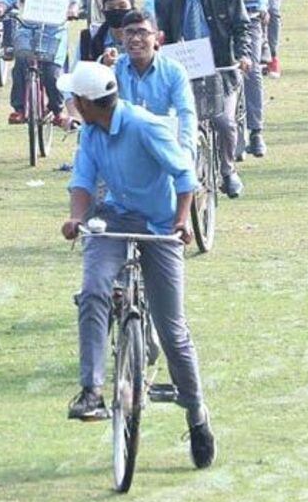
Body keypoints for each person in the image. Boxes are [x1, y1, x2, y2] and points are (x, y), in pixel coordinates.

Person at [57, 62, 215, 471]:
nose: (70, 104)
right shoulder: (90, 133)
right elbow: (82, 182)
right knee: (93, 290)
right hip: (112, 217)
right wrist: (76, 219)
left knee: (171, 327)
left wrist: (181, 224)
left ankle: (196, 412)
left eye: (73, 98)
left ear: (87, 103)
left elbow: (184, 175)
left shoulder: (145, 126)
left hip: (160, 224)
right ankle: (92, 390)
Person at [153, 0, 253, 197]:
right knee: (181, 123)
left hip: (221, 70)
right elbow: (163, 34)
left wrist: (242, 56)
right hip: (183, 71)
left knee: (223, 121)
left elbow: (243, 27)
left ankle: (228, 170)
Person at [204, 0, 272, 157]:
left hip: (250, 15)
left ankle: (256, 130)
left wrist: (263, 5)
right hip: (219, 19)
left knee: (252, 70)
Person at [0, 0, 79, 127]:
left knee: (52, 72)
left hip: (55, 28)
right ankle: (18, 108)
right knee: (20, 66)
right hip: (29, 27)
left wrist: (73, 8)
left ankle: (56, 110)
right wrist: (1, 6)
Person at [113, 11, 196, 152]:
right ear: (122, 37)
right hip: (124, 146)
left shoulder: (174, 71)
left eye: (143, 32)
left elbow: (185, 113)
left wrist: (186, 153)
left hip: (164, 144)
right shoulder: (114, 69)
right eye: (130, 33)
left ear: (158, 37)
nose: (136, 39)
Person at [78, 0, 136, 65]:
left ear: (132, 9)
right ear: (103, 11)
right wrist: (102, 64)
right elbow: (77, 73)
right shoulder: (89, 37)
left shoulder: (145, 38)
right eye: (111, 7)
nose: (116, 10)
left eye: (122, 6)